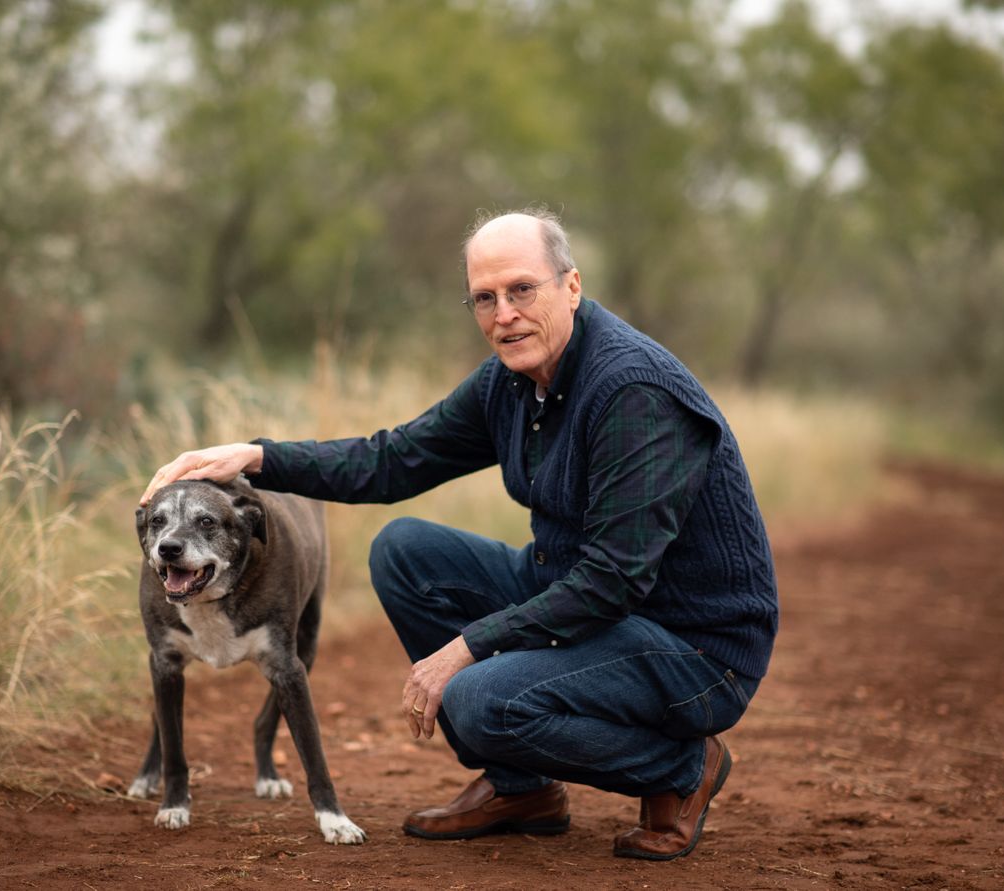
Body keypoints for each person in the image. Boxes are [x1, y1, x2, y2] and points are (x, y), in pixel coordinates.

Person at [140, 209, 778, 861]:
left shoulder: (631, 391)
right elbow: (390, 460)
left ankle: (679, 766)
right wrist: (255, 457)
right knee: (404, 551)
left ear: (573, 287)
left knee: (478, 700)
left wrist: (465, 648)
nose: (504, 314)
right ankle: (523, 787)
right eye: (485, 298)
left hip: (693, 645)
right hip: (590, 598)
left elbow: (615, 578)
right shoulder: (512, 380)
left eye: (522, 290)